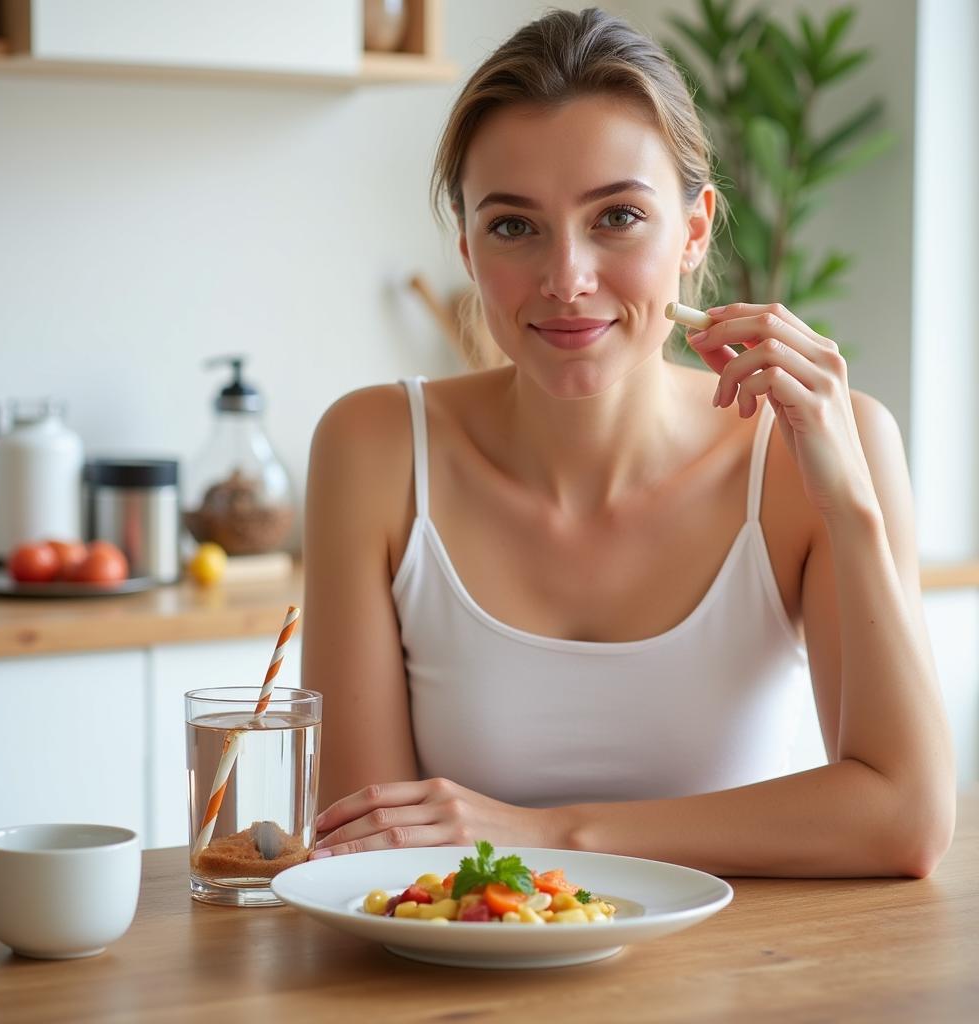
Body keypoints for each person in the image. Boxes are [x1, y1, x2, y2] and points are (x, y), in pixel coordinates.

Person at [301, 8, 954, 877]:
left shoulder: (825, 446)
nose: (567, 278)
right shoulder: (375, 447)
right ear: (465, 244)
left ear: (693, 231)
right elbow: (363, 851)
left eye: (616, 217)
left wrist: (850, 503)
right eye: (513, 225)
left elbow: (905, 819)